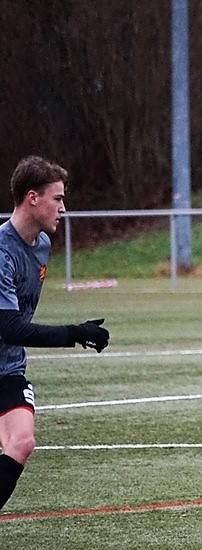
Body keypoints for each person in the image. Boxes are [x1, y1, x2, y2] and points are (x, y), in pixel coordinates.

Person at [0, 156, 110, 511]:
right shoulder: (1, 252)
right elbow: (10, 327)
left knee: (22, 442)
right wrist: (74, 333)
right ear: (33, 198)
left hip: (7, 368)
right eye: (58, 198)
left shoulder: (43, 245)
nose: (63, 208)